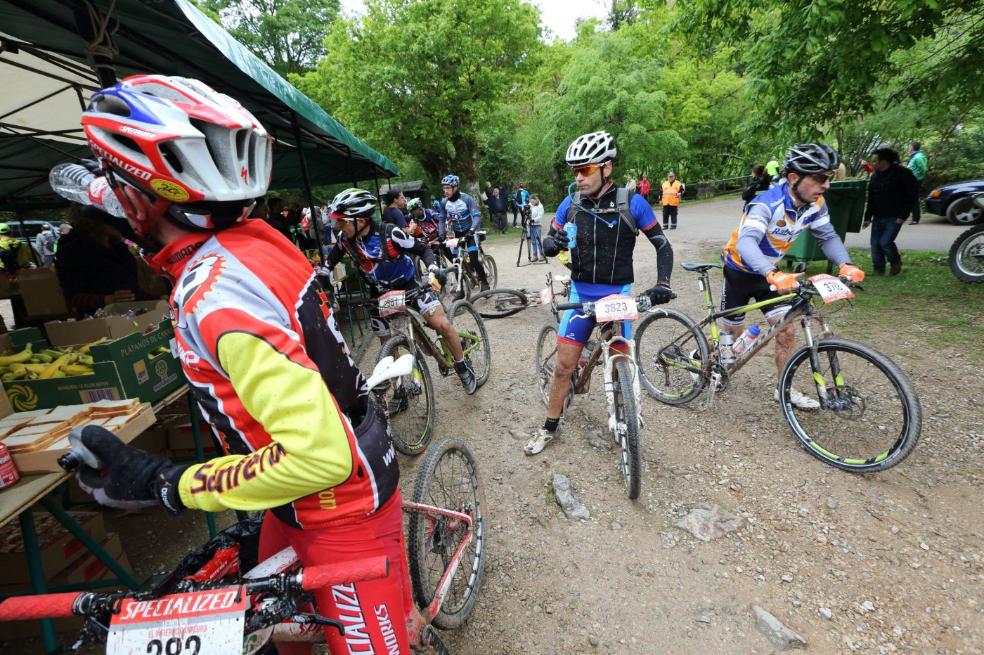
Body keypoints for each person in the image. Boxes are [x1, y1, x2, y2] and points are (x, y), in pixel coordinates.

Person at [68, 74, 415, 654]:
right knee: (283, 634)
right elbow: (140, 208)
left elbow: (317, 457)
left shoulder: (216, 302)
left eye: (117, 187)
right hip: (305, 487)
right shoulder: (254, 237)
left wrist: (169, 482)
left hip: (335, 500)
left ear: (143, 198)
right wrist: (101, 190)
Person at [526, 130, 675, 455]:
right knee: (565, 366)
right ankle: (549, 425)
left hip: (617, 293)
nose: (578, 178)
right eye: (574, 171)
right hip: (581, 293)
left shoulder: (632, 203)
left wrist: (663, 283)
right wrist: (554, 243)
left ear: (606, 168)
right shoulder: (571, 203)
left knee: (622, 355)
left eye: (586, 170)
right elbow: (550, 241)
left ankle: (625, 411)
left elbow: (662, 245)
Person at [720, 143, 865, 409]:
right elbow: (746, 244)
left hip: (771, 275)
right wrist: (771, 272)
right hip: (740, 271)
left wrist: (846, 264)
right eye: (820, 178)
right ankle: (702, 357)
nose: (826, 185)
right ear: (794, 178)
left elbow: (828, 236)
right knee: (731, 338)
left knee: (786, 330)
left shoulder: (815, 204)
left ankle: (783, 389)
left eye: (829, 178)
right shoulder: (766, 204)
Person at [327, 187, 477, 394]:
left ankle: (462, 365)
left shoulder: (390, 233)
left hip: (409, 285)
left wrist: (433, 269)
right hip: (380, 295)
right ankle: (399, 388)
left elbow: (422, 249)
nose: (337, 225)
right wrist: (322, 287)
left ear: (359, 221)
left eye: (341, 221)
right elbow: (326, 267)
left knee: (440, 324)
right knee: (386, 344)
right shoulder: (344, 241)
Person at [55, 205, 157, 314]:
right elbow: (72, 297)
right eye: (112, 216)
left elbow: (130, 290)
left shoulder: (119, 247)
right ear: (94, 220)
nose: (120, 221)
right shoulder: (72, 250)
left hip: (132, 314)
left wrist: (156, 300)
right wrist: (106, 299)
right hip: (101, 321)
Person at [862, 147, 919, 276]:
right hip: (878, 216)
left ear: (884, 161)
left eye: (875, 161)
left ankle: (895, 262)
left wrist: (903, 215)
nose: (873, 163)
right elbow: (871, 197)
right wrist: (867, 217)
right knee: (875, 244)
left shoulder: (903, 174)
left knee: (885, 242)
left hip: (894, 216)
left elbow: (912, 196)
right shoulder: (875, 176)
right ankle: (878, 270)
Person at [439, 174, 491, 292]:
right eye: (444, 188)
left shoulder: (466, 199)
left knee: (473, 259)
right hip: (457, 234)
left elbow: (476, 216)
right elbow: (442, 219)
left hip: (470, 233)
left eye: (448, 188)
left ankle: (484, 282)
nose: (445, 191)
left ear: (455, 187)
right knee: (457, 261)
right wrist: (441, 234)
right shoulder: (444, 202)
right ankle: (461, 288)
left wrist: (471, 230)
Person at [906, 141, 927, 225]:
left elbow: (923, 169)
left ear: (912, 147)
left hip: (915, 180)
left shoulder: (918, 157)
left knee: (914, 200)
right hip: (912, 180)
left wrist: (916, 177)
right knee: (910, 199)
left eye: (909, 146)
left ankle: (915, 219)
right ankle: (910, 217)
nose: (908, 148)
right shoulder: (915, 156)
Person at [528, 194, 545, 262]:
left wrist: (533, 220)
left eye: (532, 202)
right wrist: (528, 221)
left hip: (537, 225)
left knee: (538, 241)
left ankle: (541, 255)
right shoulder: (530, 205)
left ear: (536, 200)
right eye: (530, 202)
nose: (531, 203)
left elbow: (540, 216)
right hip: (531, 225)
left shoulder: (540, 206)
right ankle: (535, 255)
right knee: (533, 241)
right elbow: (527, 214)